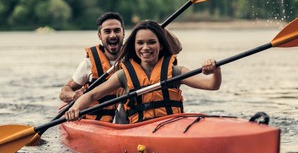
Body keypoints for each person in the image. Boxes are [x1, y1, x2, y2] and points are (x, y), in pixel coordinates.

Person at [65, 20, 221, 124]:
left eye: (152, 42)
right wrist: (74, 109)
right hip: (138, 130)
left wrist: (216, 70)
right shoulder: (124, 75)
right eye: (140, 43)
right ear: (134, 46)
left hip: (171, 126)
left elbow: (212, 85)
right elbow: (92, 95)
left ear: (161, 46)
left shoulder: (174, 71)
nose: (145, 48)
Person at [59, 13, 183, 123]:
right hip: (96, 120)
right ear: (99, 35)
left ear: (123, 33)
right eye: (107, 31)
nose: (113, 35)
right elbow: (64, 91)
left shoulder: (137, 55)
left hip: (129, 117)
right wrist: (74, 96)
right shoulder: (88, 64)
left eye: (117, 30)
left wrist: (157, 29)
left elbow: (176, 48)